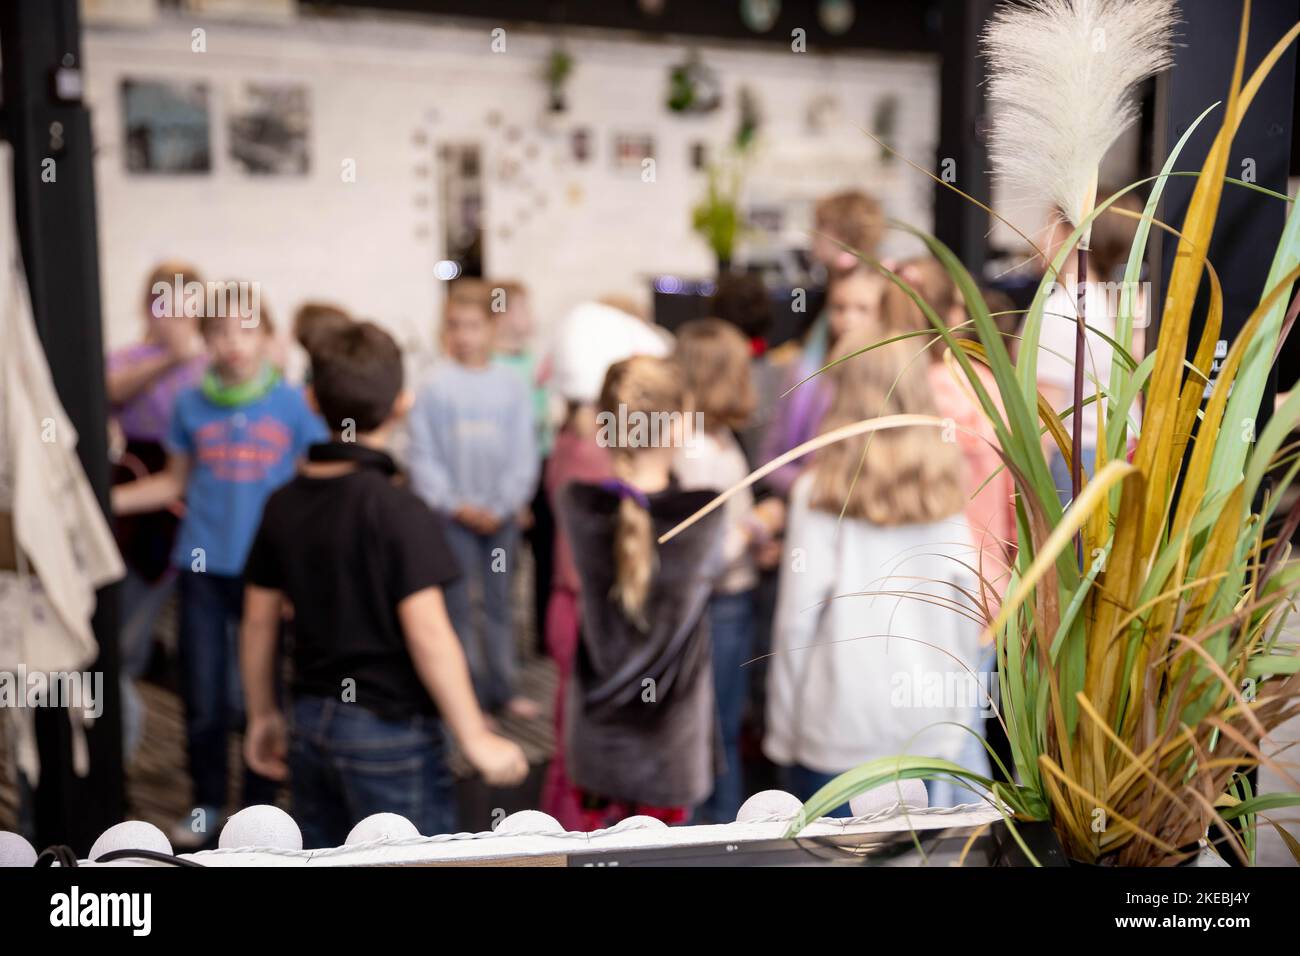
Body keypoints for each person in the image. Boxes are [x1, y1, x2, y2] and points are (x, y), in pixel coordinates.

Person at [240, 321, 528, 846]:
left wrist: (262, 714)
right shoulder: (400, 510)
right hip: (389, 735)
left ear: (310, 401)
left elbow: (259, 620)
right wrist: (474, 736)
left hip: (308, 724)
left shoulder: (282, 504)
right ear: (402, 405)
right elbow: (429, 633)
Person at [112, 291, 327, 848]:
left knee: (263, 697)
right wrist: (104, 500)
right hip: (202, 566)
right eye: (220, 333)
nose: (233, 343)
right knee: (204, 694)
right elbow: (175, 482)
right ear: (205, 342)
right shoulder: (190, 404)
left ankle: (261, 812)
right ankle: (207, 802)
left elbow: (310, 492)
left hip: (269, 576)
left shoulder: (291, 405)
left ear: (266, 337)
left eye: (245, 330)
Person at [764, 329, 988, 813]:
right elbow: (963, 614)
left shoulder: (816, 494)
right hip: (925, 726)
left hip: (836, 724)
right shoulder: (946, 491)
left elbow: (796, 621)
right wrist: (956, 722)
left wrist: (783, 729)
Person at [557, 355, 726, 829]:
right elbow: (714, 568)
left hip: (596, 741)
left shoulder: (576, 503)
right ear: (676, 428)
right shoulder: (704, 514)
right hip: (668, 749)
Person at [538, 299, 671, 829]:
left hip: (572, 610)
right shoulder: (601, 455)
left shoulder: (572, 440)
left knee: (580, 747)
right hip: (598, 617)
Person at [407, 279, 540, 719]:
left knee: (501, 606)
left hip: (498, 519)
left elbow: (524, 453)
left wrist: (502, 505)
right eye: (454, 326)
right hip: (452, 521)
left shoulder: (511, 385)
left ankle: (503, 689)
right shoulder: (433, 386)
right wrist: (455, 504)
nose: (464, 335)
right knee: (458, 608)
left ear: (490, 327)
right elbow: (423, 456)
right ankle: (466, 699)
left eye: (473, 325)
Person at [673, 319, 783, 823]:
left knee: (720, 729)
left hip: (730, 601)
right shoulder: (697, 451)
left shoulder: (716, 439)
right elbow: (706, 554)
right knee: (713, 733)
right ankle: (715, 832)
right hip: (717, 608)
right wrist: (758, 525)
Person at [105, 262, 208, 759]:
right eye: (166, 303)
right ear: (150, 306)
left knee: (203, 649)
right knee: (125, 637)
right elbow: (108, 392)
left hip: (201, 508)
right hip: (142, 508)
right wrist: (168, 358)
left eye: (189, 304)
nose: (178, 316)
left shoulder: (211, 365)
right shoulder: (129, 359)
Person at [1035, 189, 1141, 505]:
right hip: (1123, 454)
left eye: (1049, 225)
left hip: (1073, 462)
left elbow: (1042, 422)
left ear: (1072, 234)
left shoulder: (1062, 310)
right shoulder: (1125, 302)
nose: (1040, 237)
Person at [761, 261, 887, 497]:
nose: (848, 319)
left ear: (882, 312)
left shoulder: (894, 378)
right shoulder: (802, 372)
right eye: (839, 308)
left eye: (862, 309)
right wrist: (808, 486)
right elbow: (771, 459)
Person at [490, 279, 554, 657]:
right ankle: (503, 650)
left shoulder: (533, 361)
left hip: (541, 466)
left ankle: (544, 640)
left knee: (546, 557)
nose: (530, 317)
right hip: (510, 471)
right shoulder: (495, 368)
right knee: (505, 565)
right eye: (522, 308)